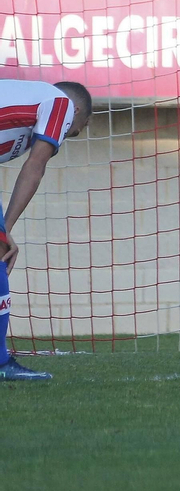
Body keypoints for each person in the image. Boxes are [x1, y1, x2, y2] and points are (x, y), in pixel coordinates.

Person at [1, 79, 92, 382]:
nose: (65, 136)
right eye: (73, 130)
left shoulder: (23, 117)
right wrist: (6, 230)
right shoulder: (61, 104)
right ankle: (1, 364)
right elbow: (35, 167)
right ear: (76, 111)